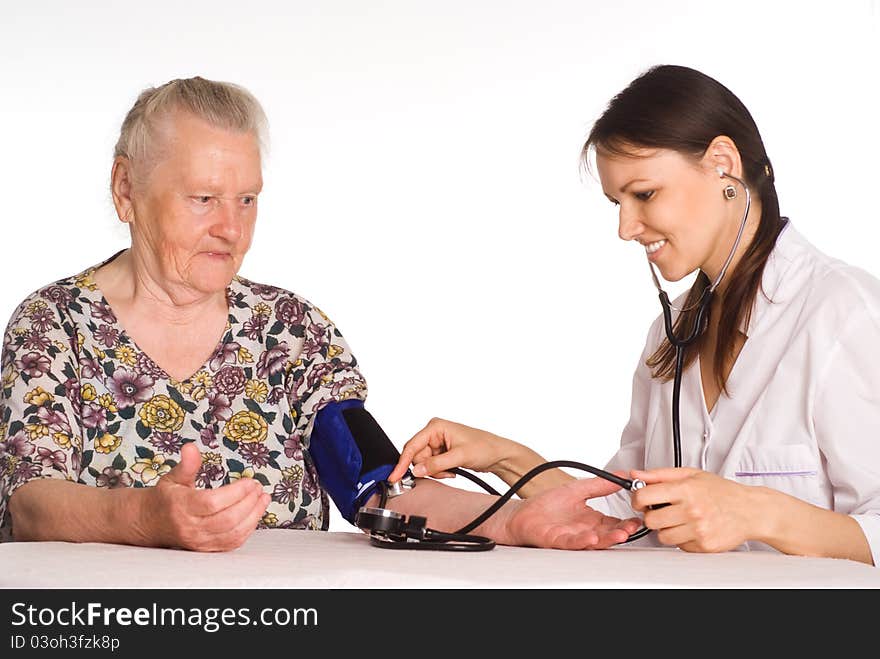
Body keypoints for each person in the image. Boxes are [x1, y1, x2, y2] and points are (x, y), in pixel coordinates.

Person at [0, 76, 641, 552]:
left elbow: (370, 485)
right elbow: (30, 506)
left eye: (247, 198)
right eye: (202, 199)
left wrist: (507, 519)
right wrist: (147, 519)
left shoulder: (293, 331)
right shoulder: (51, 326)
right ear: (125, 190)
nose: (231, 228)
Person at [390, 64, 880, 566]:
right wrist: (504, 456)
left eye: (644, 194)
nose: (626, 227)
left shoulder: (843, 315)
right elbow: (623, 512)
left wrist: (759, 514)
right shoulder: (670, 340)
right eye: (616, 202)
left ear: (722, 164)